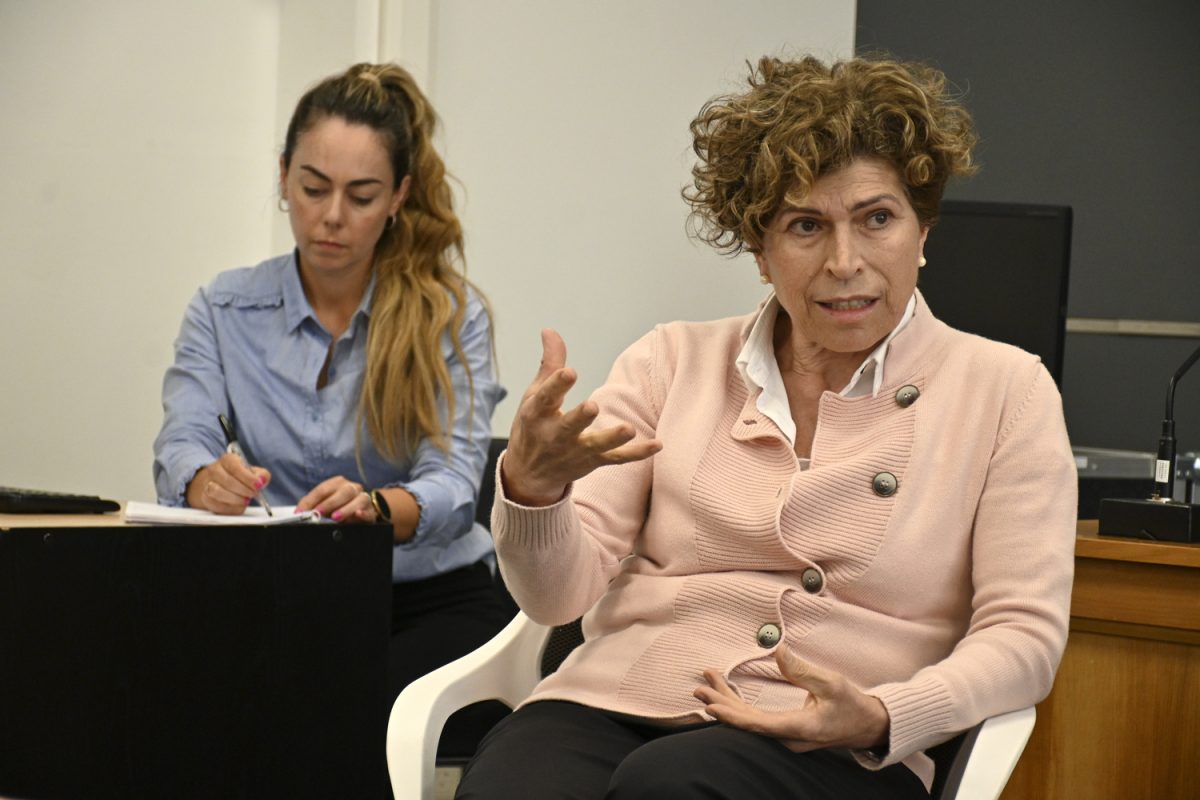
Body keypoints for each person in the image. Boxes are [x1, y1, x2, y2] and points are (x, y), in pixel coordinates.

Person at [455, 55, 1077, 799]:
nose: (846, 262)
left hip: (836, 747)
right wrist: (531, 490)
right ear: (758, 250)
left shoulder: (1008, 391)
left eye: (877, 218)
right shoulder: (668, 361)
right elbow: (556, 600)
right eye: (806, 226)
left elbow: (1024, 638)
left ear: (923, 230)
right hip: (615, 702)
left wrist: (883, 714)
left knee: (672, 787)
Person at [152, 63, 512, 713]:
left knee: (332, 708)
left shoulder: (449, 316)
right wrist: (203, 478)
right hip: (282, 586)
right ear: (284, 175)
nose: (332, 218)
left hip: (432, 598)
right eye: (314, 188)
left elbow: (457, 485)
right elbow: (185, 434)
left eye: (362, 195)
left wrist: (375, 509)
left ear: (400, 196)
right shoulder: (223, 309)